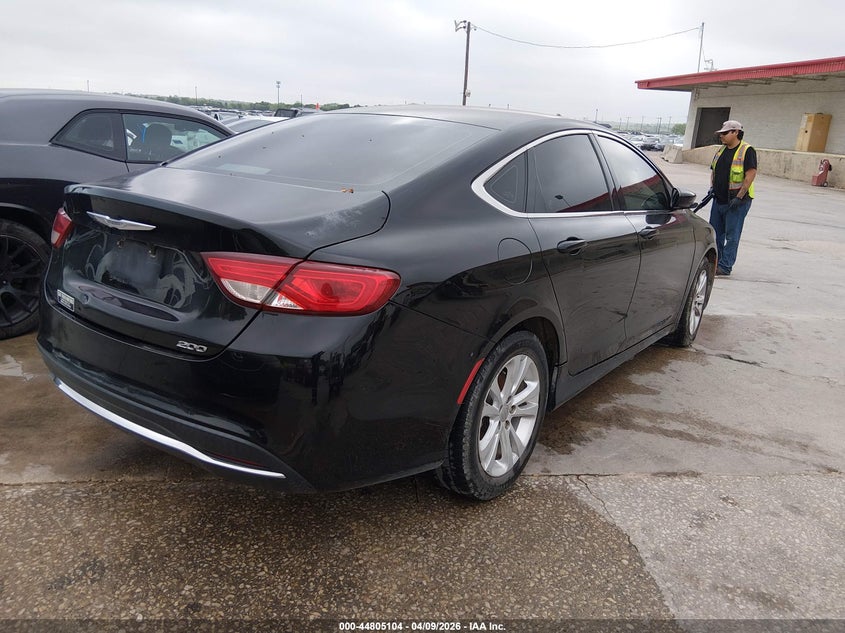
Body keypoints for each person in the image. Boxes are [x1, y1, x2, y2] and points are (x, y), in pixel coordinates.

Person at [709, 120, 757, 276]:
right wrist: (712, 188)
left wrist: (739, 196)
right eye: (721, 133)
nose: (721, 136)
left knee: (732, 235)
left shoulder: (747, 150)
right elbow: (714, 171)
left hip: (737, 201)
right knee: (715, 233)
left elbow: (750, 174)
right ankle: (717, 262)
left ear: (736, 132)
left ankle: (725, 266)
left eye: (725, 133)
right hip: (719, 199)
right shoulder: (721, 151)